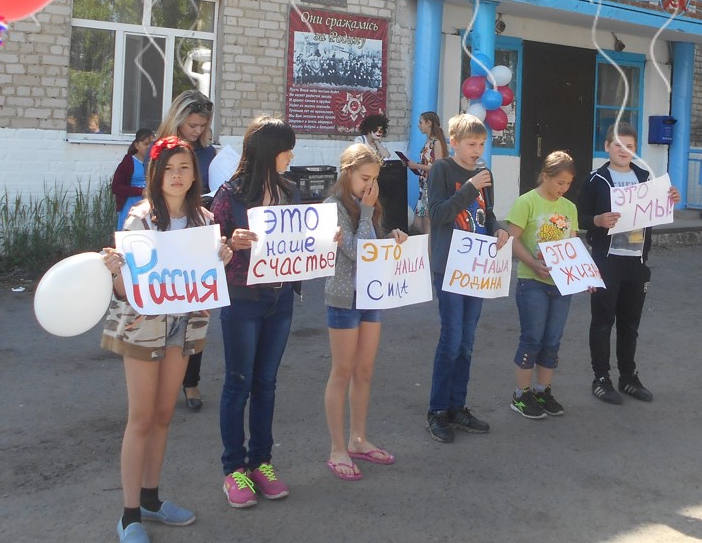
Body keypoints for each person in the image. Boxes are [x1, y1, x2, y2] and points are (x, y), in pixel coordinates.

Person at [100, 136, 235, 543]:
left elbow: (207, 279)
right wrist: (115, 270)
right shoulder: (139, 221)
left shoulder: (204, 222)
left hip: (184, 328)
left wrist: (223, 258)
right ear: (156, 175)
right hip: (143, 329)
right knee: (141, 418)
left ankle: (150, 500)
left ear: (195, 175)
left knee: (162, 416)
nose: (177, 176)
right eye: (169, 169)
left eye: (185, 168)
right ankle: (129, 516)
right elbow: (125, 291)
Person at [212, 116, 310, 508]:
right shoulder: (230, 194)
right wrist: (228, 241)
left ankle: (261, 463)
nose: (291, 156)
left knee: (266, 383)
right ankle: (234, 469)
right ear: (269, 153)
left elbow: (302, 239)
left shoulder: (289, 190)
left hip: (280, 299)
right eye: (287, 149)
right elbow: (209, 247)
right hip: (242, 300)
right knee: (239, 383)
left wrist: (325, 239)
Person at [322, 143, 409, 480]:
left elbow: (373, 246)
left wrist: (393, 237)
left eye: (374, 179)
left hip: (371, 297)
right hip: (344, 299)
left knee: (365, 370)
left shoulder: (369, 205)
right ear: (347, 174)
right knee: (342, 371)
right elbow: (357, 251)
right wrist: (368, 212)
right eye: (364, 178)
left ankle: (358, 439)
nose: (370, 186)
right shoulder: (333, 207)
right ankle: (337, 449)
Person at [578, 122, 680, 406]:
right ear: (607, 147)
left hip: (636, 262)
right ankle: (601, 378)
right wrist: (597, 220)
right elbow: (578, 217)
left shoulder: (645, 177)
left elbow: (657, 209)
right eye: (618, 145)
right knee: (602, 322)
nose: (624, 151)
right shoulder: (595, 180)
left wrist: (671, 198)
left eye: (630, 146)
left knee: (629, 324)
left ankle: (628, 376)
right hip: (606, 262)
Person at [425, 113, 510, 443]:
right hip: (449, 266)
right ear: (454, 143)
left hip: (477, 267)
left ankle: (457, 406)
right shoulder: (442, 170)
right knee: (451, 339)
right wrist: (470, 187)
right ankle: (436, 410)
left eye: (481, 144)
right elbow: (437, 213)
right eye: (471, 144)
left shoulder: (484, 174)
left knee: (467, 342)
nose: (477, 150)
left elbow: (487, 213)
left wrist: (498, 229)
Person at [505, 151, 579, 420]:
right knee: (532, 338)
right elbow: (512, 240)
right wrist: (534, 264)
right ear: (545, 176)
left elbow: (572, 245)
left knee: (552, 340)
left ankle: (542, 391)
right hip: (532, 282)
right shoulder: (526, 202)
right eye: (560, 182)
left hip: (561, 284)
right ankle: (521, 394)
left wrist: (585, 275)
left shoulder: (569, 208)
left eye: (568, 184)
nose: (564, 188)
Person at [156, 91, 217, 411]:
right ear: (178, 119)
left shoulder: (208, 152)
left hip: (198, 233)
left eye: (202, 125)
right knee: (160, 311)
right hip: (162, 234)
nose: (197, 131)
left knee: (196, 313)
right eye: (192, 125)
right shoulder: (161, 149)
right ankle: (156, 378)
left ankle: (191, 382)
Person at [407, 111, 448, 235]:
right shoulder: (428, 142)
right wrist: (414, 166)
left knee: (427, 221)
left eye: (421, 122)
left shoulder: (437, 143)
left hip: (432, 185)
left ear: (429, 123)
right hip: (424, 184)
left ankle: (431, 244)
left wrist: (416, 165)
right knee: (418, 223)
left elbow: (437, 167)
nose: (418, 125)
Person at [112, 129, 154, 231]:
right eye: (145, 144)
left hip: (150, 204)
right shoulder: (129, 162)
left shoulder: (155, 162)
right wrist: (140, 191)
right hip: (131, 204)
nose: (149, 147)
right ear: (136, 145)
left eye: (152, 144)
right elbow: (116, 187)